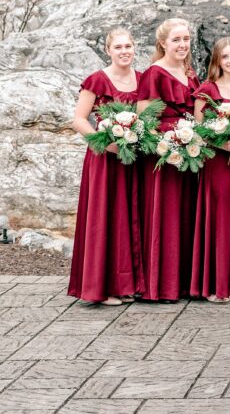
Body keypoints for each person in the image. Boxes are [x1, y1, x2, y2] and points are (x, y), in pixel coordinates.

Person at [68, 28, 144, 305]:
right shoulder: (97, 80)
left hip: (132, 159)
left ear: (134, 48)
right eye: (118, 47)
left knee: (128, 218)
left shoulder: (142, 80)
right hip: (103, 159)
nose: (124, 51)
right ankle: (102, 287)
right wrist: (104, 142)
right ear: (108, 50)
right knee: (105, 218)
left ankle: (126, 284)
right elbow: (79, 119)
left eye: (128, 46)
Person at [137, 18, 200, 302]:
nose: (182, 44)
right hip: (162, 156)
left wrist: (192, 139)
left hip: (191, 153)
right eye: (176, 40)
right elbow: (146, 119)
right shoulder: (154, 74)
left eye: (186, 39)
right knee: (165, 215)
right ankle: (162, 285)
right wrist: (168, 142)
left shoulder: (192, 75)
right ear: (163, 43)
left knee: (186, 215)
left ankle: (185, 282)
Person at [191, 37, 230, 303]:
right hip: (217, 161)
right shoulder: (208, 89)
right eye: (225, 56)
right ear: (216, 61)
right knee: (219, 217)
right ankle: (217, 285)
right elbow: (198, 129)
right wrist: (221, 140)